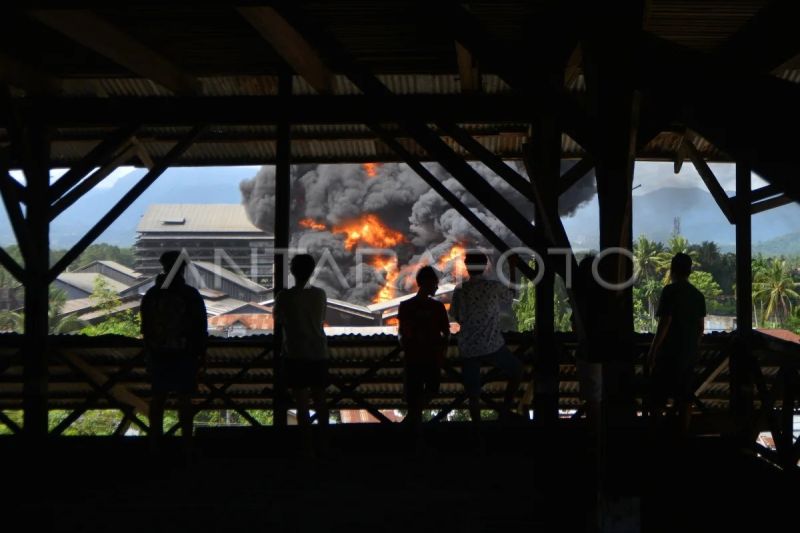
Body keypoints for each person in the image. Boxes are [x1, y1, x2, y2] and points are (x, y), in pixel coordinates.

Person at [140, 250, 207, 454]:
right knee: (185, 400)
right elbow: (199, 328)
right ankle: (187, 444)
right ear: (183, 269)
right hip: (184, 354)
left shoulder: (152, 295)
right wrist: (201, 354)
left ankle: (155, 444)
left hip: (158, 353)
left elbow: (145, 327)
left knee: (157, 399)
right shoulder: (190, 295)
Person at [450, 252, 523, 424]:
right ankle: (504, 412)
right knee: (517, 370)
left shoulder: (460, 290)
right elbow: (513, 293)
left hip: (468, 348)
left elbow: (456, 316)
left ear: (467, 268)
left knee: (473, 395)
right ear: (485, 267)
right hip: (493, 346)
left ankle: (478, 433)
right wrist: (512, 267)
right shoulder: (493, 287)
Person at [272, 254, 329, 456]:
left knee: (302, 403)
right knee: (321, 401)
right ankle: (324, 445)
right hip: (319, 353)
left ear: (292, 271)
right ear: (312, 271)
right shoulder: (320, 294)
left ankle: (307, 448)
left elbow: (279, 321)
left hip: (295, 354)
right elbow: (322, 318)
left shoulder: (284, 297)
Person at [646, 252, 706, 436]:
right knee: (686, 398)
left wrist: (652, 352)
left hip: (667, 355)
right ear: (689, 271)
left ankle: (657, 437)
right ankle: (683, 437)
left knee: (657, 399)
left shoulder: (669, 291)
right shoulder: (697, 295)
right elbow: (700, 329)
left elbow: (665, 324)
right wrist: (692, 348)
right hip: (688, 356)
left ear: (672, 270)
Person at [398, 266, 450, 432]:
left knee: (414, 397)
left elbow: (402, 334)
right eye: (435, 283)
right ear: (427, 283)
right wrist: (443, 354)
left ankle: (412, 421)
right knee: (431, 391)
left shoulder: (405, 306)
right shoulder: (438, 308)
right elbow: (447, 333)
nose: (436, 287)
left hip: (412, 359)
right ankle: (415, 429)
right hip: (431, 359)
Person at [573, 255, 603, 426]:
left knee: (592, 403)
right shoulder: (605, 297)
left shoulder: (582, 299)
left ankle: (594, 443)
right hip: (604, 352)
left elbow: (576, 327)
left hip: (589, 353)